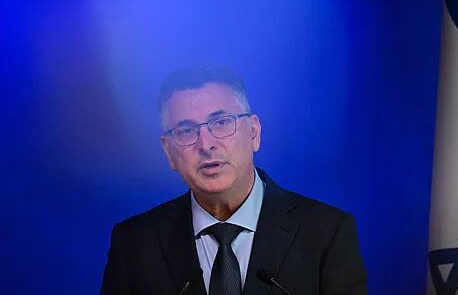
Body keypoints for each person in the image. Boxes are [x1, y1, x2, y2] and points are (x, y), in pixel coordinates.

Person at [100, 67, 368, 295]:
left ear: (254, 132)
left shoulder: (327, 233)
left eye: (221, 122)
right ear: (168, 151)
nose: (206, 144)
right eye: (186, 130)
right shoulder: (134, 244)